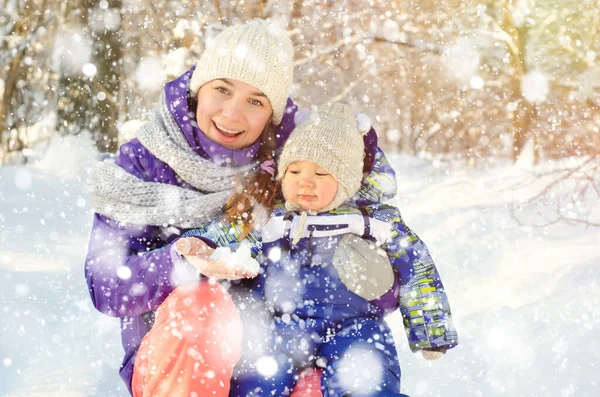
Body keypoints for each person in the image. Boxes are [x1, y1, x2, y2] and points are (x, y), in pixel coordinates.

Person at [84, 20, 397, 397]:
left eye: (255, 101)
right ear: (200, 89)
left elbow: (368, 290)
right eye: (222, 89)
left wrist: (376, 280)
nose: (233, 114)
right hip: (180, 362)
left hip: (274, 360)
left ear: (272, 114)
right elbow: (108, 287)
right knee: (202, 303)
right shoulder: (145, 162)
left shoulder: (297, 166)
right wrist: (184, 264)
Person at [180, 104, 458, 396]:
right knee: (258, 378)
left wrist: (431, 329)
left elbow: (417, 266)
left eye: (321, 173)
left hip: (356, 324)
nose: (305, 181)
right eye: (295, 169)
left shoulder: (371, 219)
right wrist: (201, 244)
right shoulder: (269, 216)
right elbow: (227, 233)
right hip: (281, 325)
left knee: (367, 376)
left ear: (347, 180)